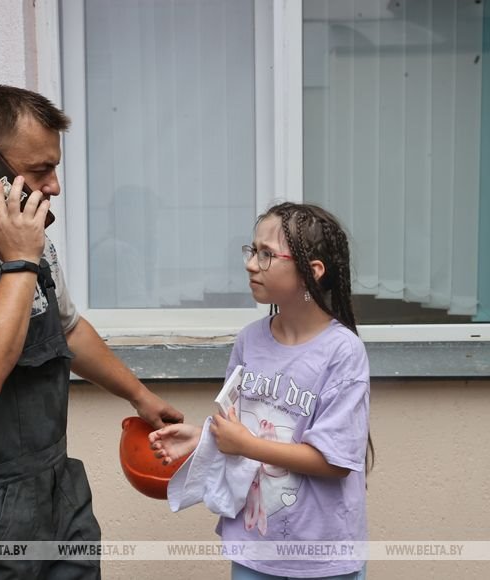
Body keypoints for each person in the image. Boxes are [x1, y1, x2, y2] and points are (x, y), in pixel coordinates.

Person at [0, 84, 183, 579]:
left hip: (55, 500)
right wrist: (19, 259)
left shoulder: (33, 243)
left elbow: (69, 329)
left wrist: (139, 396)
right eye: (41, 169)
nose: (55, 186)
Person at [149, 202, 372, 580]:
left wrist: (246, 446)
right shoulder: (249, 341)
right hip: (254, 549)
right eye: (252, 251)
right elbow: (242, 429)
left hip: (322, 558)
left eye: (267, 255)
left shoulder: (343, 351)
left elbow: (334, 462)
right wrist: (203, 438)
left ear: (311, 273)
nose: (251, 263)